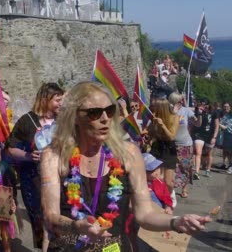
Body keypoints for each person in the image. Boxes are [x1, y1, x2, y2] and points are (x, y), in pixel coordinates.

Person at [40, 81, 211, 251]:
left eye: (109, 111)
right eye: (94, 113)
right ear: (75, 116)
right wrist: (77, 226)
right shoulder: (54, 155)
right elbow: (51, 216)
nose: (105, 119)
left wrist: (177, 222)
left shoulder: (128, 153)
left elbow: (144, 214)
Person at [7, 82, 64, 250]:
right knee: (39, 219)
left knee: (62, 217)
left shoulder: (63, 121)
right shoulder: (28, 121)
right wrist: (27, 155)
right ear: (45, 100)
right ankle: (43, 248)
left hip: (63, 179)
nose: (61, 104)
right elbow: (10, 148)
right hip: (33, 181)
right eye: (57, 100)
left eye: (62, 100)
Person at [167, 92, 199, 199]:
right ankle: (170, 188)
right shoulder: (168, 111)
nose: (180, 102)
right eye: (178, 101)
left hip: (185, 144)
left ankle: (185, 188)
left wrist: (198, 116)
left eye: (181, 100)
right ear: (172, 101)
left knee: (186, 167)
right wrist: (173, 112)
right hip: (172, 144)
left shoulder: (185, 110)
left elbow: (197, 123)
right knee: (172, 167)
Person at [147, 98, 179, 202]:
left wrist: (162, 125)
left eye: (154, 107)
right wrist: (149, 136)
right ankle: (161, 200)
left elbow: (172, 137)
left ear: (161, 108)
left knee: (168, 181)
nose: (152, 109)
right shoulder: (154, 117)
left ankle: (171, 194)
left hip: (169, 149)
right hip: (157, 147)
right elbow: (151, 133)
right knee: (156, 178)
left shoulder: (174, 117)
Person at [191, 99, 219, 177]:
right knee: (198, 152)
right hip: (199, 134)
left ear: (208, 105)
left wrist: (214, 137)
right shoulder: (197, 111)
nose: (204, 107)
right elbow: (193, 122)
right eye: (202, 105)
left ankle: (208, 169)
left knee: (209, 154)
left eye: (205, 105)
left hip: (210, 135)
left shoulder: (214, 112)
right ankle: (196, 171)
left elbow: (217, 126)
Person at [219, 102, 232, 174]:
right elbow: (222, 123)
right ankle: (230, 165)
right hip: (227, 136)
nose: (226, 108)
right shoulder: (226, 115)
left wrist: (218, 123)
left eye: (227, 106)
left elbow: (224, 126)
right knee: (228, 152)